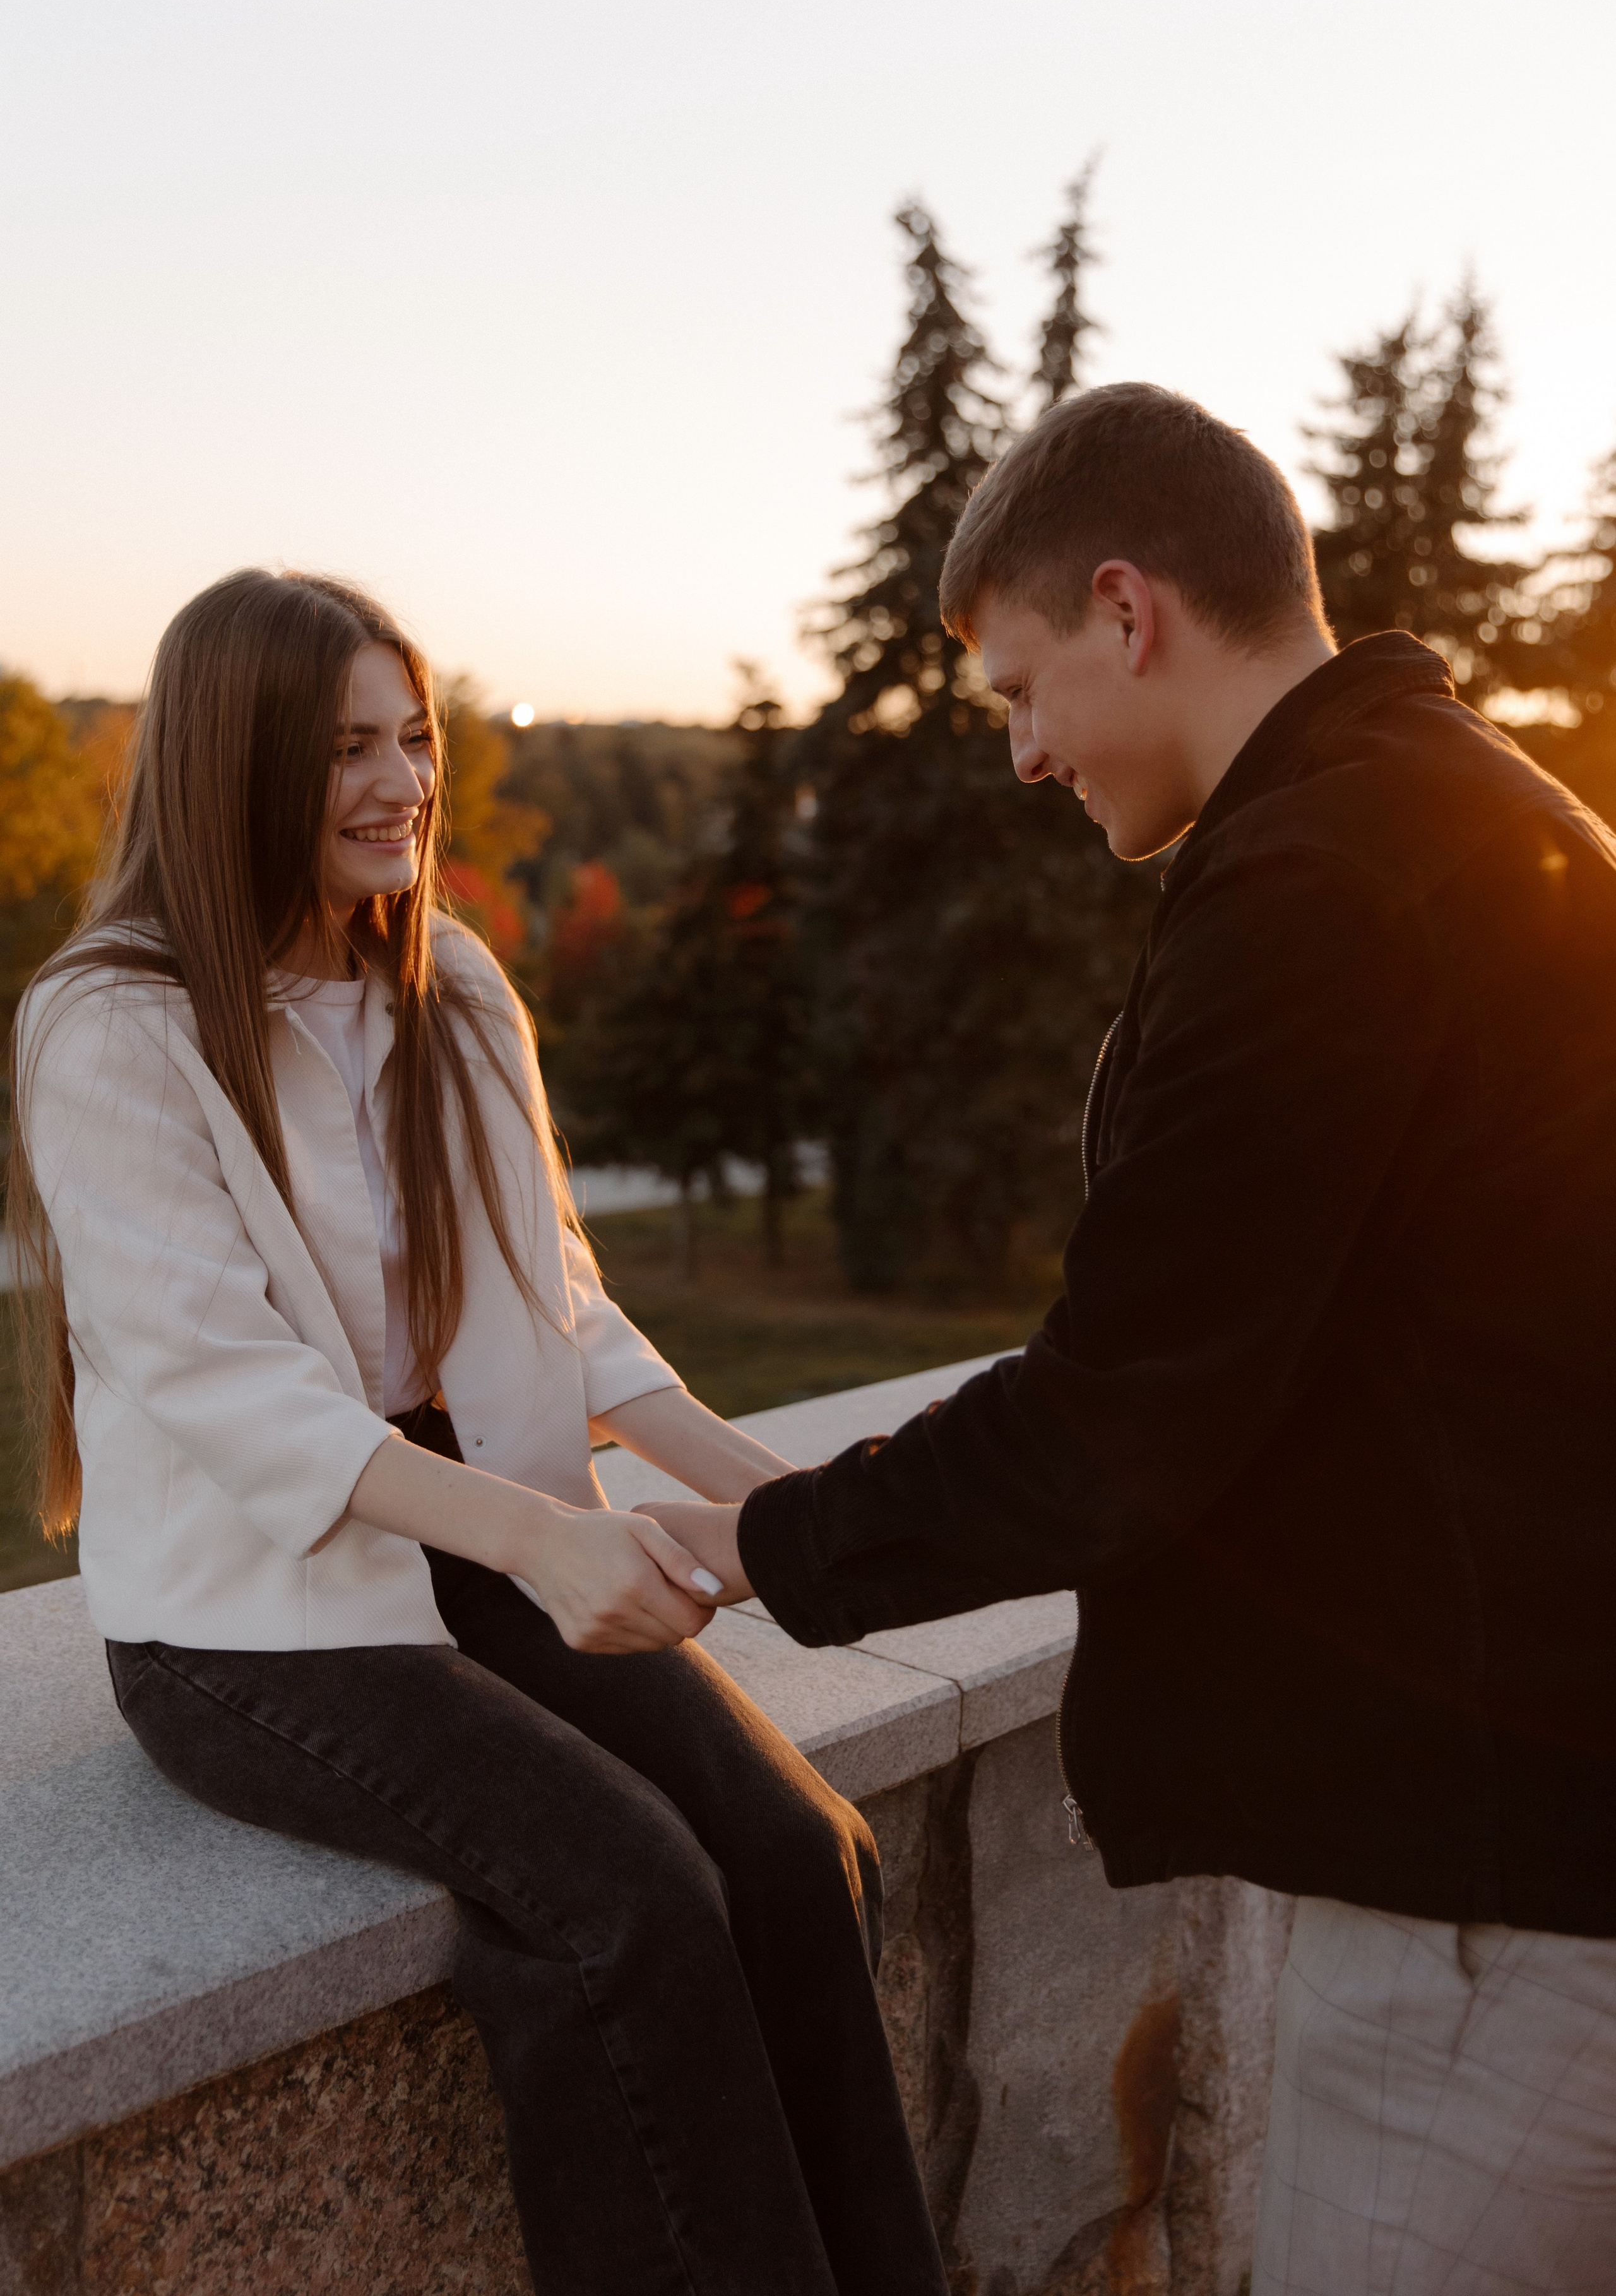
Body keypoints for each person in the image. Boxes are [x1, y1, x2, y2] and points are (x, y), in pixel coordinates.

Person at [645, 385, 1616, 2296]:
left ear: (1126, 607)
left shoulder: (1328, 876)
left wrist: (750, 1549)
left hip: (1496, 1906)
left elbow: (1127, 1409)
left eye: (1020, 689)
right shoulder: (1467, 811)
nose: (1019, 751)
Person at [9, 568, 948, 2296]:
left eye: (414, 736)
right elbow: (230, 1389)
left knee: (800, 1854)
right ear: (237, 768)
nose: (403, 783)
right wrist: (539, 1540)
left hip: (488, 1543)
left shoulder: (449, 979)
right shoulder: (110, 1026)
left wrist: (793, 1499)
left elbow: (559, 1301)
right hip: (258, 1621)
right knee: (632, 1901)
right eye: (347, 748)